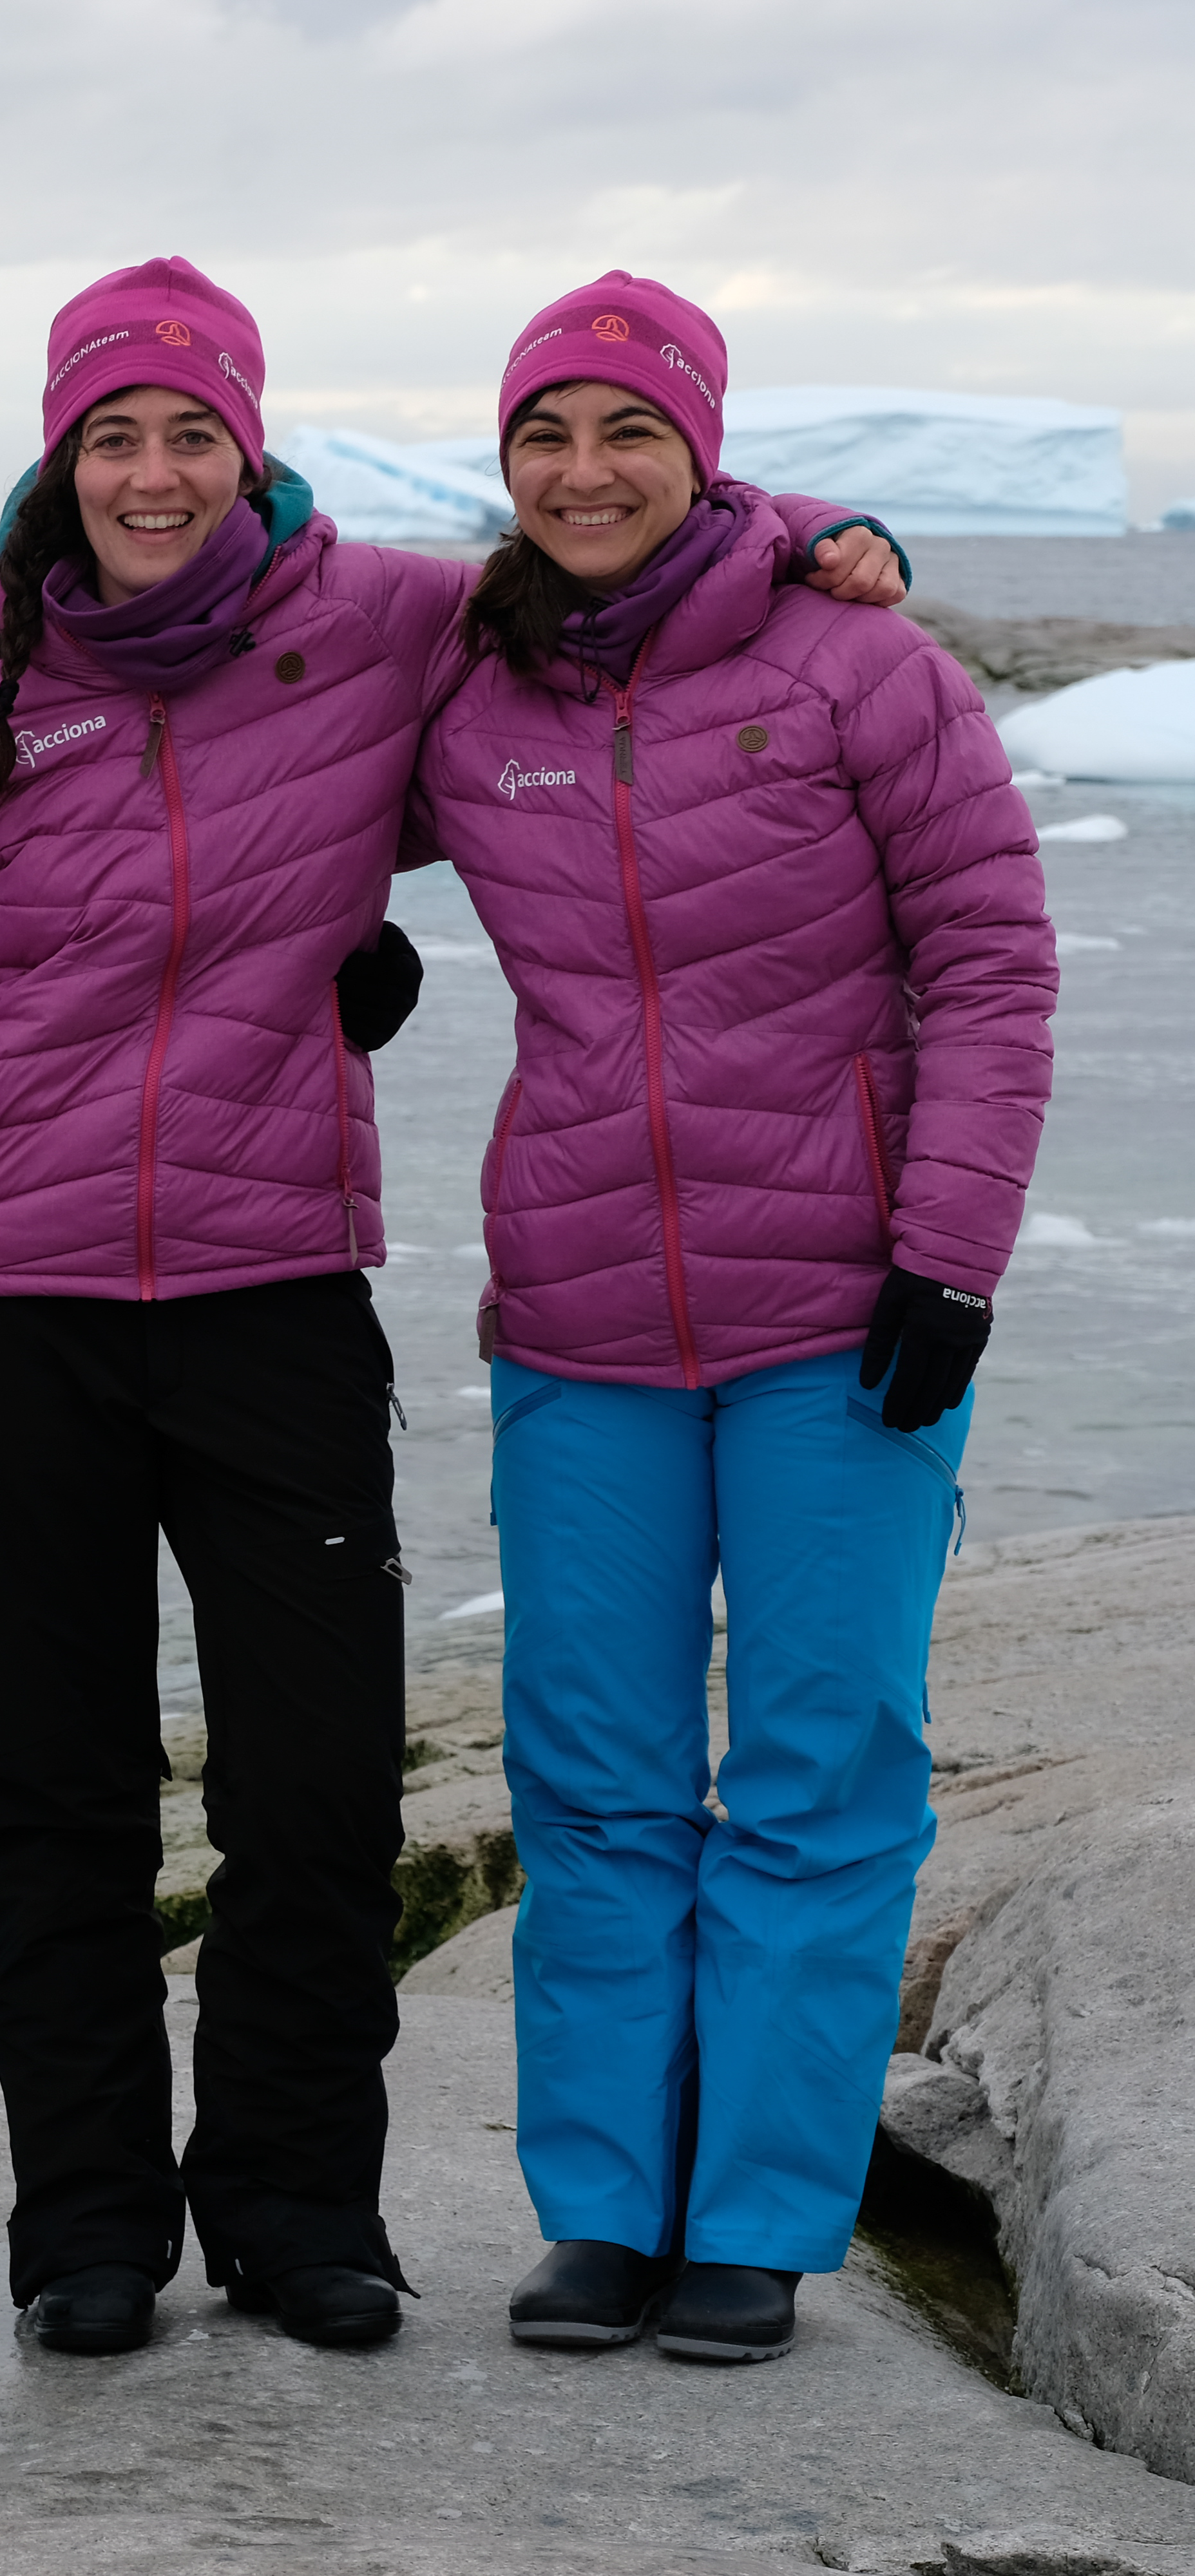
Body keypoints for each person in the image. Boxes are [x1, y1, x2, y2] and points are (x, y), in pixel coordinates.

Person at [0, 258, 908, 2358]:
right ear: (61, 461)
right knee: (58, 1793)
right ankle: (88, 2225)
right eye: (113, 436)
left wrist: (822, 528)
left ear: (251, 450)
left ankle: (295, 2211)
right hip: (12, 1291)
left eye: (193, 433)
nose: (155, 474)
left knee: (317, 1786)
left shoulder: (383, 625)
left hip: (274, 1277)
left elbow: (621, 542)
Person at [410, 272, 1053, 2365]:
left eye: (628, 432)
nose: (583, 472)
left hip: (841, 1316)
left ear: (702, 453)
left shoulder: (862, 666)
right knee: (594, 1779)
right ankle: (606, 2208)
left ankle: (760, 2217)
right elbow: (259, 783)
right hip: (579, 1310)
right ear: (505, 464)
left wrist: (951, 1252)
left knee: (816, 1766)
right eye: (544, 435)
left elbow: (993, 962)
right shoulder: (473, 685)